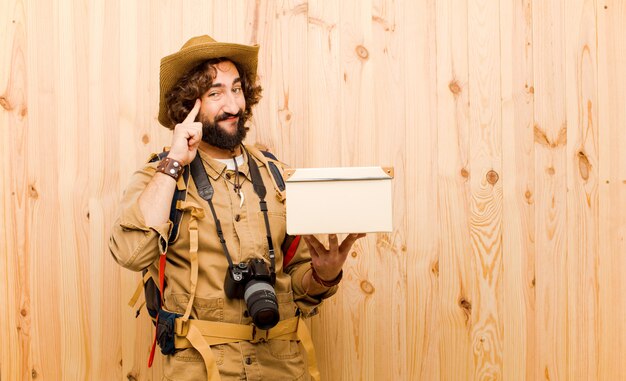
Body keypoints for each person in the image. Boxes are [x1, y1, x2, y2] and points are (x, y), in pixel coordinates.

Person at [109, 35, 365, 381]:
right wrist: (174, 162)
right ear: (189, 105)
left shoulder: (278, 178)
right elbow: (130, 252)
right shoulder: (164, 176)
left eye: (237, 89)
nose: (232, 105)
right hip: (200, 369)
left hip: (283, 368)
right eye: (215, 93)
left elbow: (302, 292)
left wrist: (324, 274)